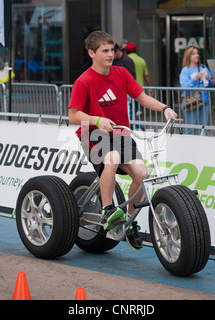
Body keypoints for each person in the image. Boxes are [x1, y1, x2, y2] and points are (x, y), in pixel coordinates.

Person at [68, 31, 177, 250]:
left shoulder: (122, 73)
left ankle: (128, 222)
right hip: (93, 133)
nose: (110, 55)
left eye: (111, 50)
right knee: (112, 157)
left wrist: (164, 108)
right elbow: (73, 115)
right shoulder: (84, 81)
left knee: (141, 174)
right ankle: (108, 210)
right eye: (104, 51)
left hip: (120, 132)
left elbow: (142, 98)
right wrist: (97, 120)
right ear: (91, 53)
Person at [179, 46, 214, 135]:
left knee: (204, 127)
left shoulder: (203, 67)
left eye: (197, 53)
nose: (197, 55)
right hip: (191, 101)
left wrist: (209, 80)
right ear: (188, 56)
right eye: (193, 54)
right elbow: (184, 86)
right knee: (191, 127)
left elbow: (211, 84)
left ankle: (203, 147)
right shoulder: (185, 70)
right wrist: (195, 78)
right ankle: (190, 147)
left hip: (204, 101)